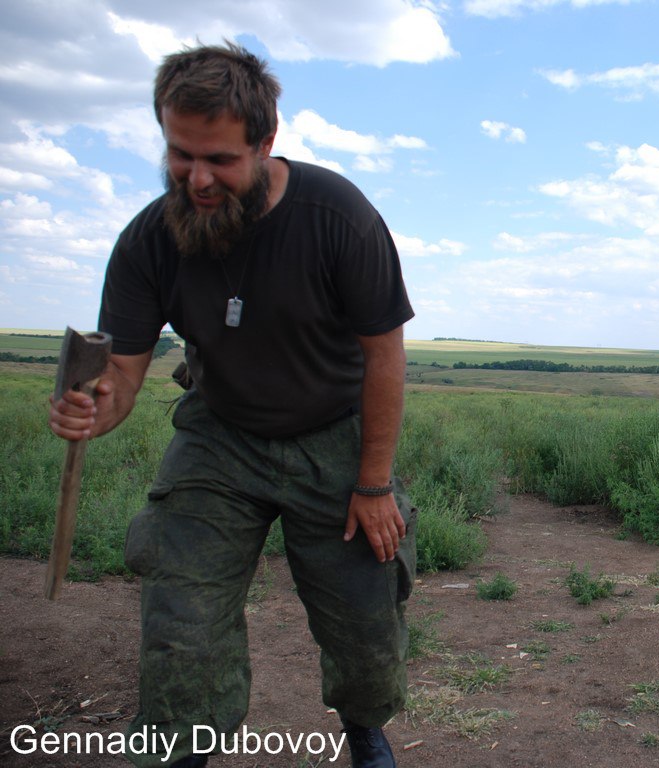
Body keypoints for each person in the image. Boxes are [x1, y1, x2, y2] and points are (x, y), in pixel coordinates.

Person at [48, 42, 414, 768]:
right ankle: (182, 748)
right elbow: (121, 371)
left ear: (266, 141)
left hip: (334, 436)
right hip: (221, 435)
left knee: (364, 616)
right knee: (180, 616)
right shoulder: (151, 237)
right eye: (181, 155)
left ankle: (365, 727)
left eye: (219, 159)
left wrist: (372, 484)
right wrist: (93, 407)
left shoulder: (336, 215)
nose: (198, 177)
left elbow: (383, 355)